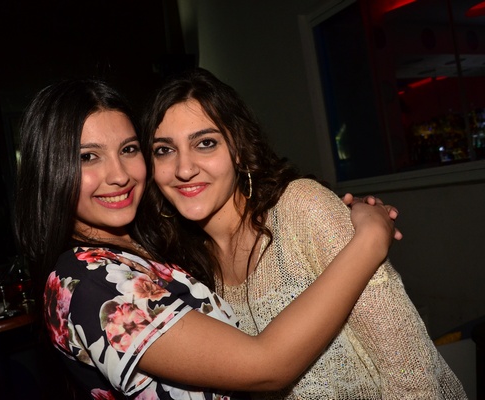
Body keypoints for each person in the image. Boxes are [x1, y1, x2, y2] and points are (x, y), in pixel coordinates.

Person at [14, 78, 398, 399]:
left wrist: (333, 222)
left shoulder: (152, 245)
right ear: (51, 169)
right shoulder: (86, 283)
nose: (119, 175)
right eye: (88, 157)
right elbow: (266, 366)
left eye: (128, 149)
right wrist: (369, 241)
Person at [137, 68, 467, 399]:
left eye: (205, 143)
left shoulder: (301, 208)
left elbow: (411, 369)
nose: (184, 169)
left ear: (237, 148)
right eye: (164, 150)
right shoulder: (181, 266)